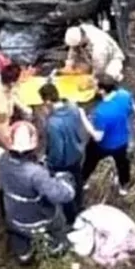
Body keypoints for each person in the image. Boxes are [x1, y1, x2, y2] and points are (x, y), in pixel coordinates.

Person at [0, 121, 75, 264]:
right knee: (58, 223)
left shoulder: (2, 161)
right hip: (39, 219)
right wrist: (65, 182)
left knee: (18, 234)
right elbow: (59, 195)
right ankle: (56, 247)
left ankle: (23, 255)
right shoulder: (36, 174)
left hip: (15, 218)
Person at [39, 82, 88, 224]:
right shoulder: (73, 108)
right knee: (77, 180)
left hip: (63, 163)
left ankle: (71, 218)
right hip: (77, 153)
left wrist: (50, 163)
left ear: (48, 101)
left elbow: (57, 149)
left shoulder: (53, 123)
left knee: (65, 189)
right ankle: (80, 204)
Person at [81, 75, 135, 196]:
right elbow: (133, 109)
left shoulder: (102, 112)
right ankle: (123, 187)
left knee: (89, 161)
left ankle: (83, 181)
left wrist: (83, 118)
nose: (93, 87)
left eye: (95, 85)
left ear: (102, 90)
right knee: (123, 164)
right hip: (122, 141)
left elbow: (98, 137)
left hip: (104, 145)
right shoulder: (124, 94)